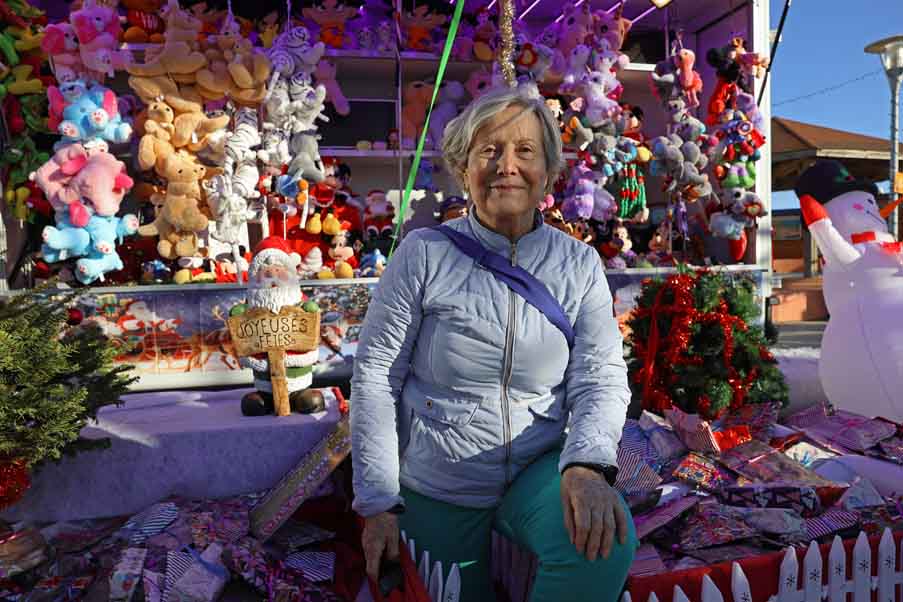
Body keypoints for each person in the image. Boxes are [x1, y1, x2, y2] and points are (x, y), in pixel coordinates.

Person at [351, 86, 637, 601]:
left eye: (525, 151)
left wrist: (588, 466)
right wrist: (377, 501)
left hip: (536, 470)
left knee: (604, 539)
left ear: (549, 171)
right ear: (464, 168)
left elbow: (600, 376)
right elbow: (376, 377)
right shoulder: (424, 255)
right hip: (440, 481)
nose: (507, 165)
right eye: (489, 150)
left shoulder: (577, 263)